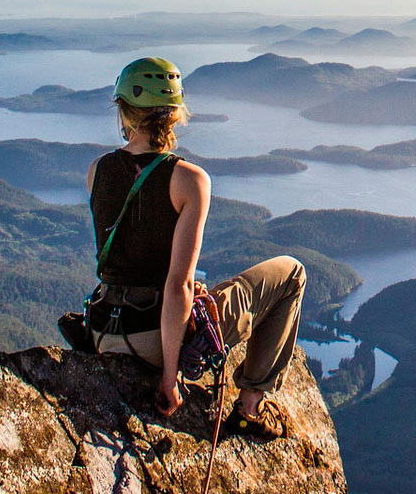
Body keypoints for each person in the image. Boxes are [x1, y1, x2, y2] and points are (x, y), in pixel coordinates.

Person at [85, 56, 305, 439]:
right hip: (151, 341)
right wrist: (170, 378)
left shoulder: (97, 170)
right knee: (291, 272)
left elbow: (128, 254)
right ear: (174, 115)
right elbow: (178, 285)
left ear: (123, 111)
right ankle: (251, 407)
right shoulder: (188, 180)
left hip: (103, 331)